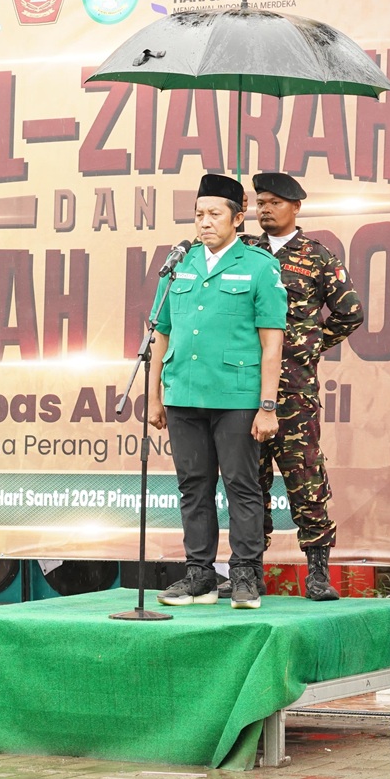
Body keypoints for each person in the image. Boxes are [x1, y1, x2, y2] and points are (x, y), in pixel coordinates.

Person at [147, 173, 286, 609]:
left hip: (237, 397)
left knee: (243, 485)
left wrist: (268, 405)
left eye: (214, 214)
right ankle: (199, 575)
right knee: (193, 486)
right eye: (198, 214)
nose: (204, 222)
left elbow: (272, 343)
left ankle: (244, 574)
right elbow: (160, 333)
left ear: (238, 217)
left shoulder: (259, 266)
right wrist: (153, 396)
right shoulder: (178, 265)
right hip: (183, 394)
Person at [247, 172, 365, 601]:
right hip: (245, 385)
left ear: (296, 207)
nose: (265, 209)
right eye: (261, 202)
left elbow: (350, 312)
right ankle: (248, 570)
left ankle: (317, 572)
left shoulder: (316, 257)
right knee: (248, 482)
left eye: (275, 202)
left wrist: (309, 347)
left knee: (304, 478)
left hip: (294, 391)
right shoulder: (242, 252)